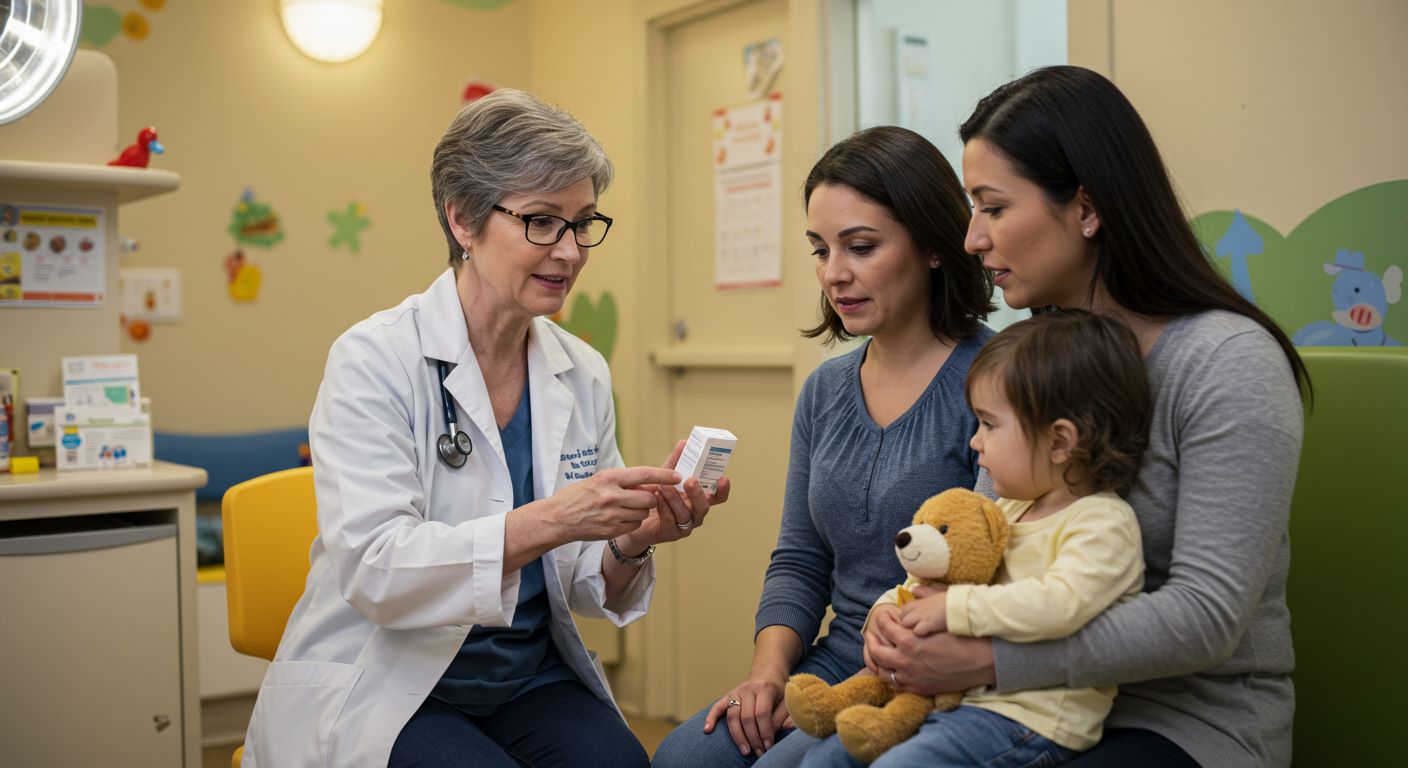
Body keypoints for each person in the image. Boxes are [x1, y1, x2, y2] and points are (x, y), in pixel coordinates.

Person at [240, 89, 728, 767]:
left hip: (530, 679)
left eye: (583, 223)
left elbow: (587, 586)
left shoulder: (578, 370)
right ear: (463, 219)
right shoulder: (374, 358)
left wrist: (633, 541)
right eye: (541, 222)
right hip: (396, 676)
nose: (570, 251)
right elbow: (375, 568)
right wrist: (553, 519)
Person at [863, 65, 1309, 767]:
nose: (972, 239)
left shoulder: (1227, 362)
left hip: (1185, 721)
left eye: (993, 206)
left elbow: (1208, 617)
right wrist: (901, 619)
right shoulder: (1033, 361)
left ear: (1087, 208)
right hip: (1010, 708)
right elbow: (985, 538)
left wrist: (987, 660)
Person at [653, 126, 994, 767]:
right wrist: (767, 676)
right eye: (819, 249)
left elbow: (995, 577)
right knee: (682, 759)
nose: (834, 274)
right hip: (833, 658)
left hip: (933, 670)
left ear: (932, 247)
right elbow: (801, 559)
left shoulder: (996, 382)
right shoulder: (826, 390)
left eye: (861, 247)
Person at [800, 309, 1151, 767]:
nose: (975, 442)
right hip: (961, 701)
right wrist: (886, 612)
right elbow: (941, 574)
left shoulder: (1102, 523)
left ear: (1060, 442)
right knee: (824, 760)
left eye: (989, 424)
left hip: (1029, 720)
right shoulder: (1009, 509)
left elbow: (1060, 605)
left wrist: (952, 610)